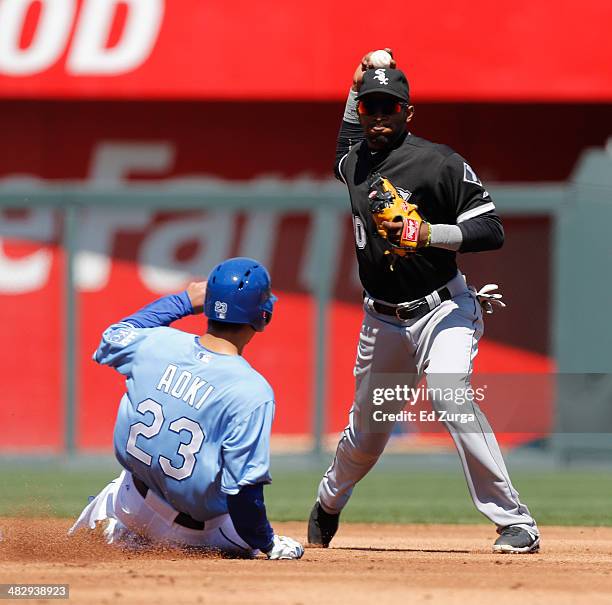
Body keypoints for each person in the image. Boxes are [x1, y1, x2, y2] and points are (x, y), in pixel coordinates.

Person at [307, 50, 540, 554]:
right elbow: (345, 135)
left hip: (442, 310)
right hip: (381, 320)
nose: (379, 115)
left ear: (408, 112)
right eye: (371, 106)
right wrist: (355, 84)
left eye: (390, 106)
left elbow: (492, 229)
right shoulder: (353, 163)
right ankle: (327, 504)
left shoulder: (440, 162)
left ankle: (513, 521)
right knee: (367, 436)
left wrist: (429, 232)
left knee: (449, 392)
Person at [69, 257, 304, 560]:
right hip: (199, 534)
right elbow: (244, 492)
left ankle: (112, 528)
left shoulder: (154, 344)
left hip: (129, 505)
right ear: (263, 317)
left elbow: (114, 334)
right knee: (256, 538)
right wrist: (268, 543)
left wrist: (182, 301)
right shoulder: (252, 391)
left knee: (66, 553)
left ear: (207, 305)